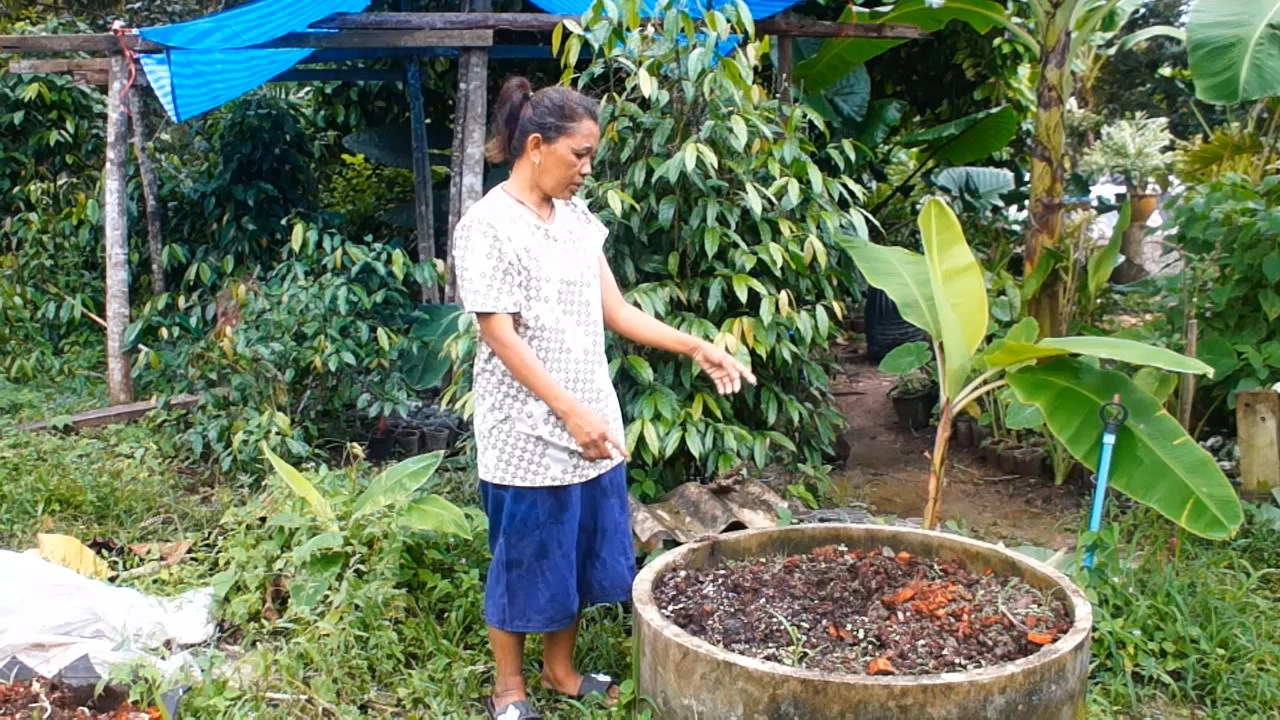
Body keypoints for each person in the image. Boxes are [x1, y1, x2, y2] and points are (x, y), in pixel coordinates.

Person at [452, 75, 757, 720]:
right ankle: (509, 693)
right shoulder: (486, 227)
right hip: (526, 434)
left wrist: (695, 345)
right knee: (524, 557)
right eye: (580, 154)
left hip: (593, 424)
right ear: (536, 146)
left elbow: (615, 309)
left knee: (575, 553)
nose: (587, 169)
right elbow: (498, 334)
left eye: (591, 156)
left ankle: (560, 671)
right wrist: (566, 409)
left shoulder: (579, 222)